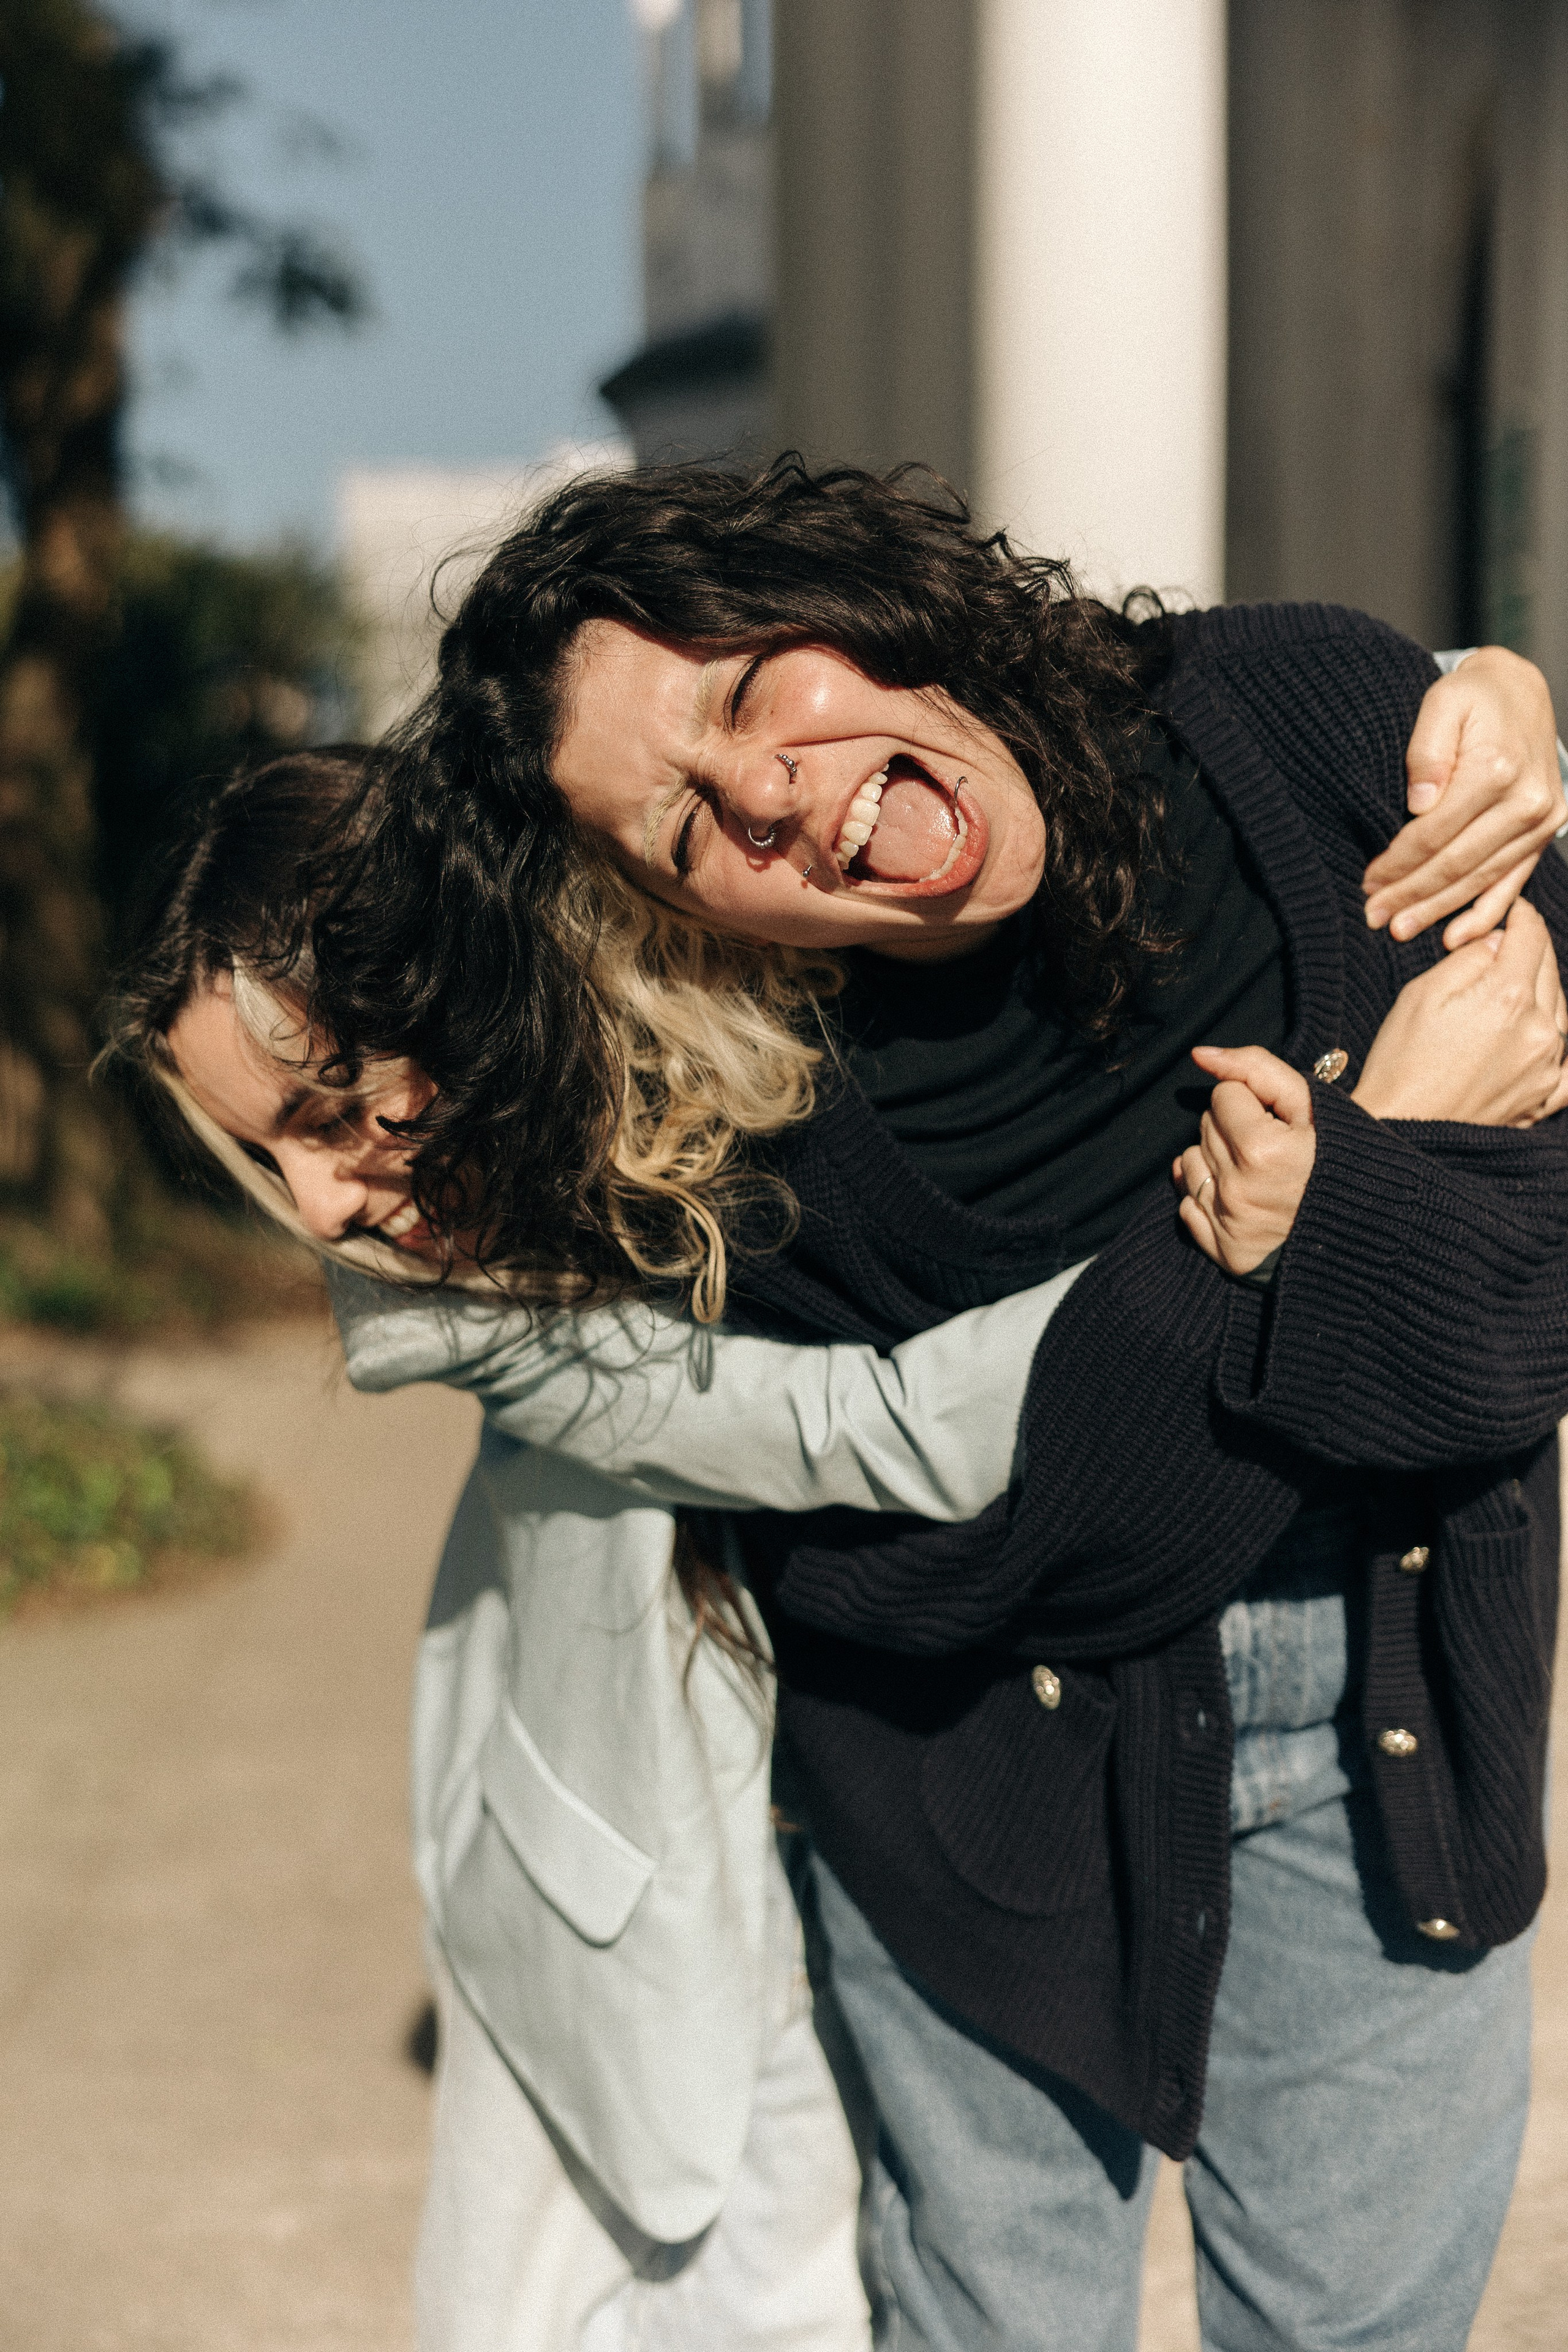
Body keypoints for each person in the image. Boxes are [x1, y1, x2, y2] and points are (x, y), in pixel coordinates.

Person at [296, 458, 1568, 2351]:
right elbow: (937, 1564)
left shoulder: (1315, 716)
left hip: (1389, 1727)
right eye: (683, 825)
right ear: (667, 907)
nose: (767, 794)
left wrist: (1331, 1217)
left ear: (855, 597)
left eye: (751, 689)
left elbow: (1526, 1320)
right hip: (964, 1772)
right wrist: (1341, 1201)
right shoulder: (742, 1130)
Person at [110, 745, 1109, 2351]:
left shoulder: (716, 1019)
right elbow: (872, 1428)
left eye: (327, 1111)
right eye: (269, 1154)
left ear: (445, 982)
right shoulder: (468, 1309)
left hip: (838, 1806)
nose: (320, 1202)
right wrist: (1219, 1240)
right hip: (620, 1872)